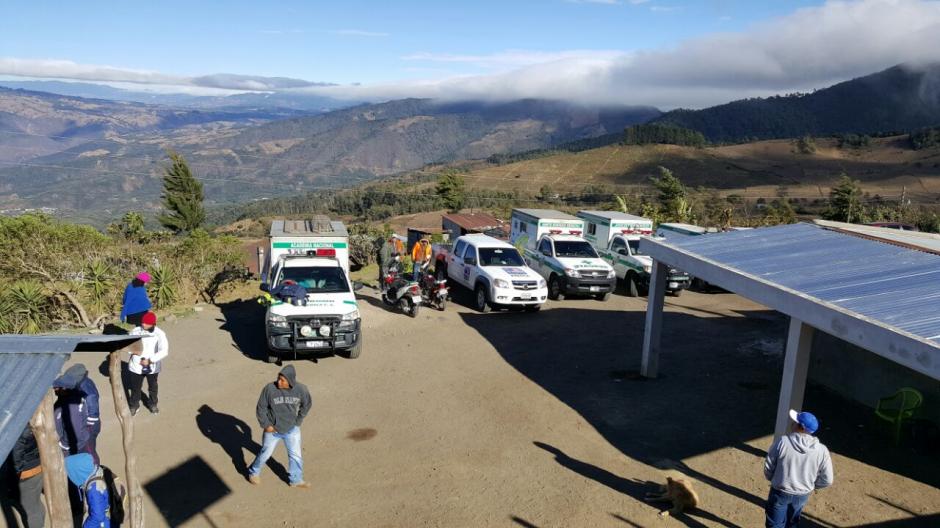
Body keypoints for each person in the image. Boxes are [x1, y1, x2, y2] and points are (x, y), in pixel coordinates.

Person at [763, 409, 834, 528]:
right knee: (792, 524)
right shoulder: (822, 450)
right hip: (802, 494)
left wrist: (774, 479)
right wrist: (812, 485)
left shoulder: (782, 442)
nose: (792, 422)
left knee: (774, 524)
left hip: (780, 491)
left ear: (800, 427)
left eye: (795, 421)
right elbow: (828, 479)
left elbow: (769, 465)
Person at [248, 365, 312, 488]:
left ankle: (296, 480)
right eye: (278, 378)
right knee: (265, 453)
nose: (279, 381)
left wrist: (298, 421)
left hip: (292, 429)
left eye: (282, 380)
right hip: (273, 430)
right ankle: (253, 472)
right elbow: (261, 408)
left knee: (295, 455)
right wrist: (266, 425)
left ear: (290, 381)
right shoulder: (269, 389)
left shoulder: (301, 390)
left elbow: (307, 405)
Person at [54, 364, 101, 462]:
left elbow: (93, 413)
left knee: (89, 451)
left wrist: (87, 427)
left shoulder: (87, 391)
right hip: (82, 424)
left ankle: (95, 469)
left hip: (89, 426)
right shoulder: (77, 385)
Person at [2, 426, 45, 528]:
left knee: (30, 510)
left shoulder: (18, 427)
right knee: (36, 502)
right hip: (38, 464)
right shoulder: (31, 420)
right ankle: (41, 522)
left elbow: (16, 455)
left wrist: (16, 474)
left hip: (26, 472)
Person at [127, 311, 169, 416]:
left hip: (152, 366)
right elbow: (128, 345)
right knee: (135, 388)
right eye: (142, 322)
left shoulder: (160, 334)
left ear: (153, 323)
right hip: (136, 365)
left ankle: (153, 404)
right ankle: (134, 405)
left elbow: (164, 350)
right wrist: (132, 351)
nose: (143, 324)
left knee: (153, 387)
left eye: (146, 323)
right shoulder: (135, 331)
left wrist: (150, 360)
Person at [64, 454, 110, 528]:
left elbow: (98, 516)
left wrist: (86, 526)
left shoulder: (93, 490)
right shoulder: (97, 473)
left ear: (78, 473)